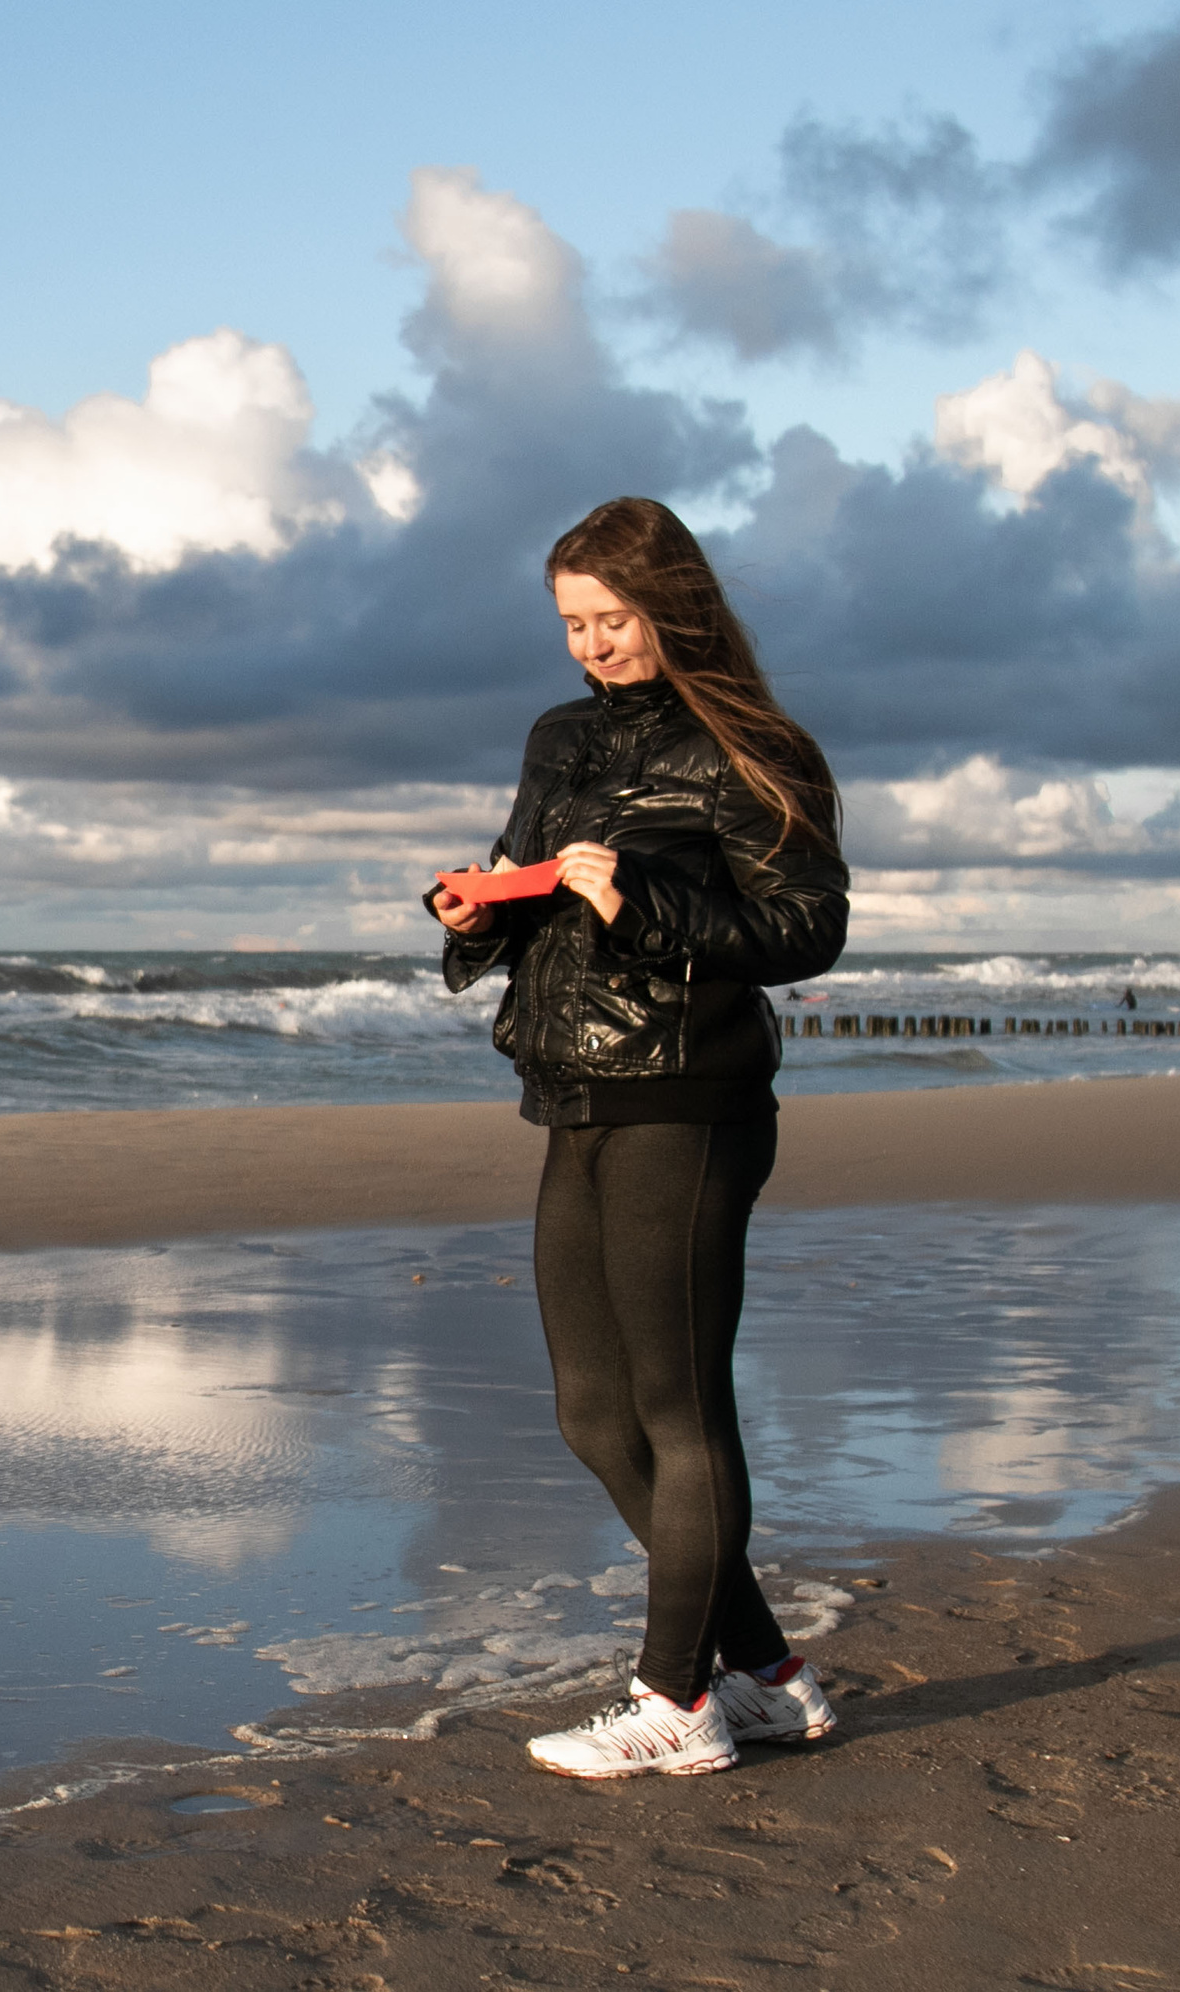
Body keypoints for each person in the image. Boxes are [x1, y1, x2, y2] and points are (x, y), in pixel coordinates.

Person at [429, 498, 849, 1780]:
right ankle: (768, 1676)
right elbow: (528, 880)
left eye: (613, 618)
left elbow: (807, 928)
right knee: (592, 1413)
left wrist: (644, 900)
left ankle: (676, 1698)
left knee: (679, 1402)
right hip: (573, 1090)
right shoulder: (557, 738)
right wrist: (477, 912)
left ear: (675, 605)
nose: (593, 644)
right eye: (572, 623)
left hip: (690, 1097)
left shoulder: (755, 747)